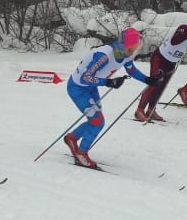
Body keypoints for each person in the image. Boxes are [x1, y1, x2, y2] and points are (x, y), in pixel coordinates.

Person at [63, 28, 158, 168]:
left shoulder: (124, 53)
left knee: (96, 119)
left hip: (91, 88)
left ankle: (72, 138)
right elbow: (86, 77)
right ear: (121, 44)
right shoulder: (104, 55)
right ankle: (81, 154)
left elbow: (131, 69)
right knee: (97, 121)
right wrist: (108, 82)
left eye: (134, 49)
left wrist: (147, 80)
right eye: (130, 49)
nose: (131, 52)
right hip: (78, 88)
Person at [135, 12, 187, 122]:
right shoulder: (185, 28)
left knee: (161, 87)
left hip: (171, 62)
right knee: (155, 83)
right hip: (160, 58)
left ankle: (151, 110)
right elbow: (175, 41)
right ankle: (139, 110)